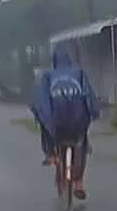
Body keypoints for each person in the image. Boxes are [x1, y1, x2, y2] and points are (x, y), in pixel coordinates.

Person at [31, 49, 100, 199]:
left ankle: (51, 154)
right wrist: (94, 112)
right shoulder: (79, 73)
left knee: (44, 123)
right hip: (77, 123)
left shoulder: (47, 76)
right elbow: (88, 95)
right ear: (69, 61)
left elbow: (41, 102)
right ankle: (79, 184)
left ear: (54, 62)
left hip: (57, 125)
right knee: (81, 143)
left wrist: (40, 116)